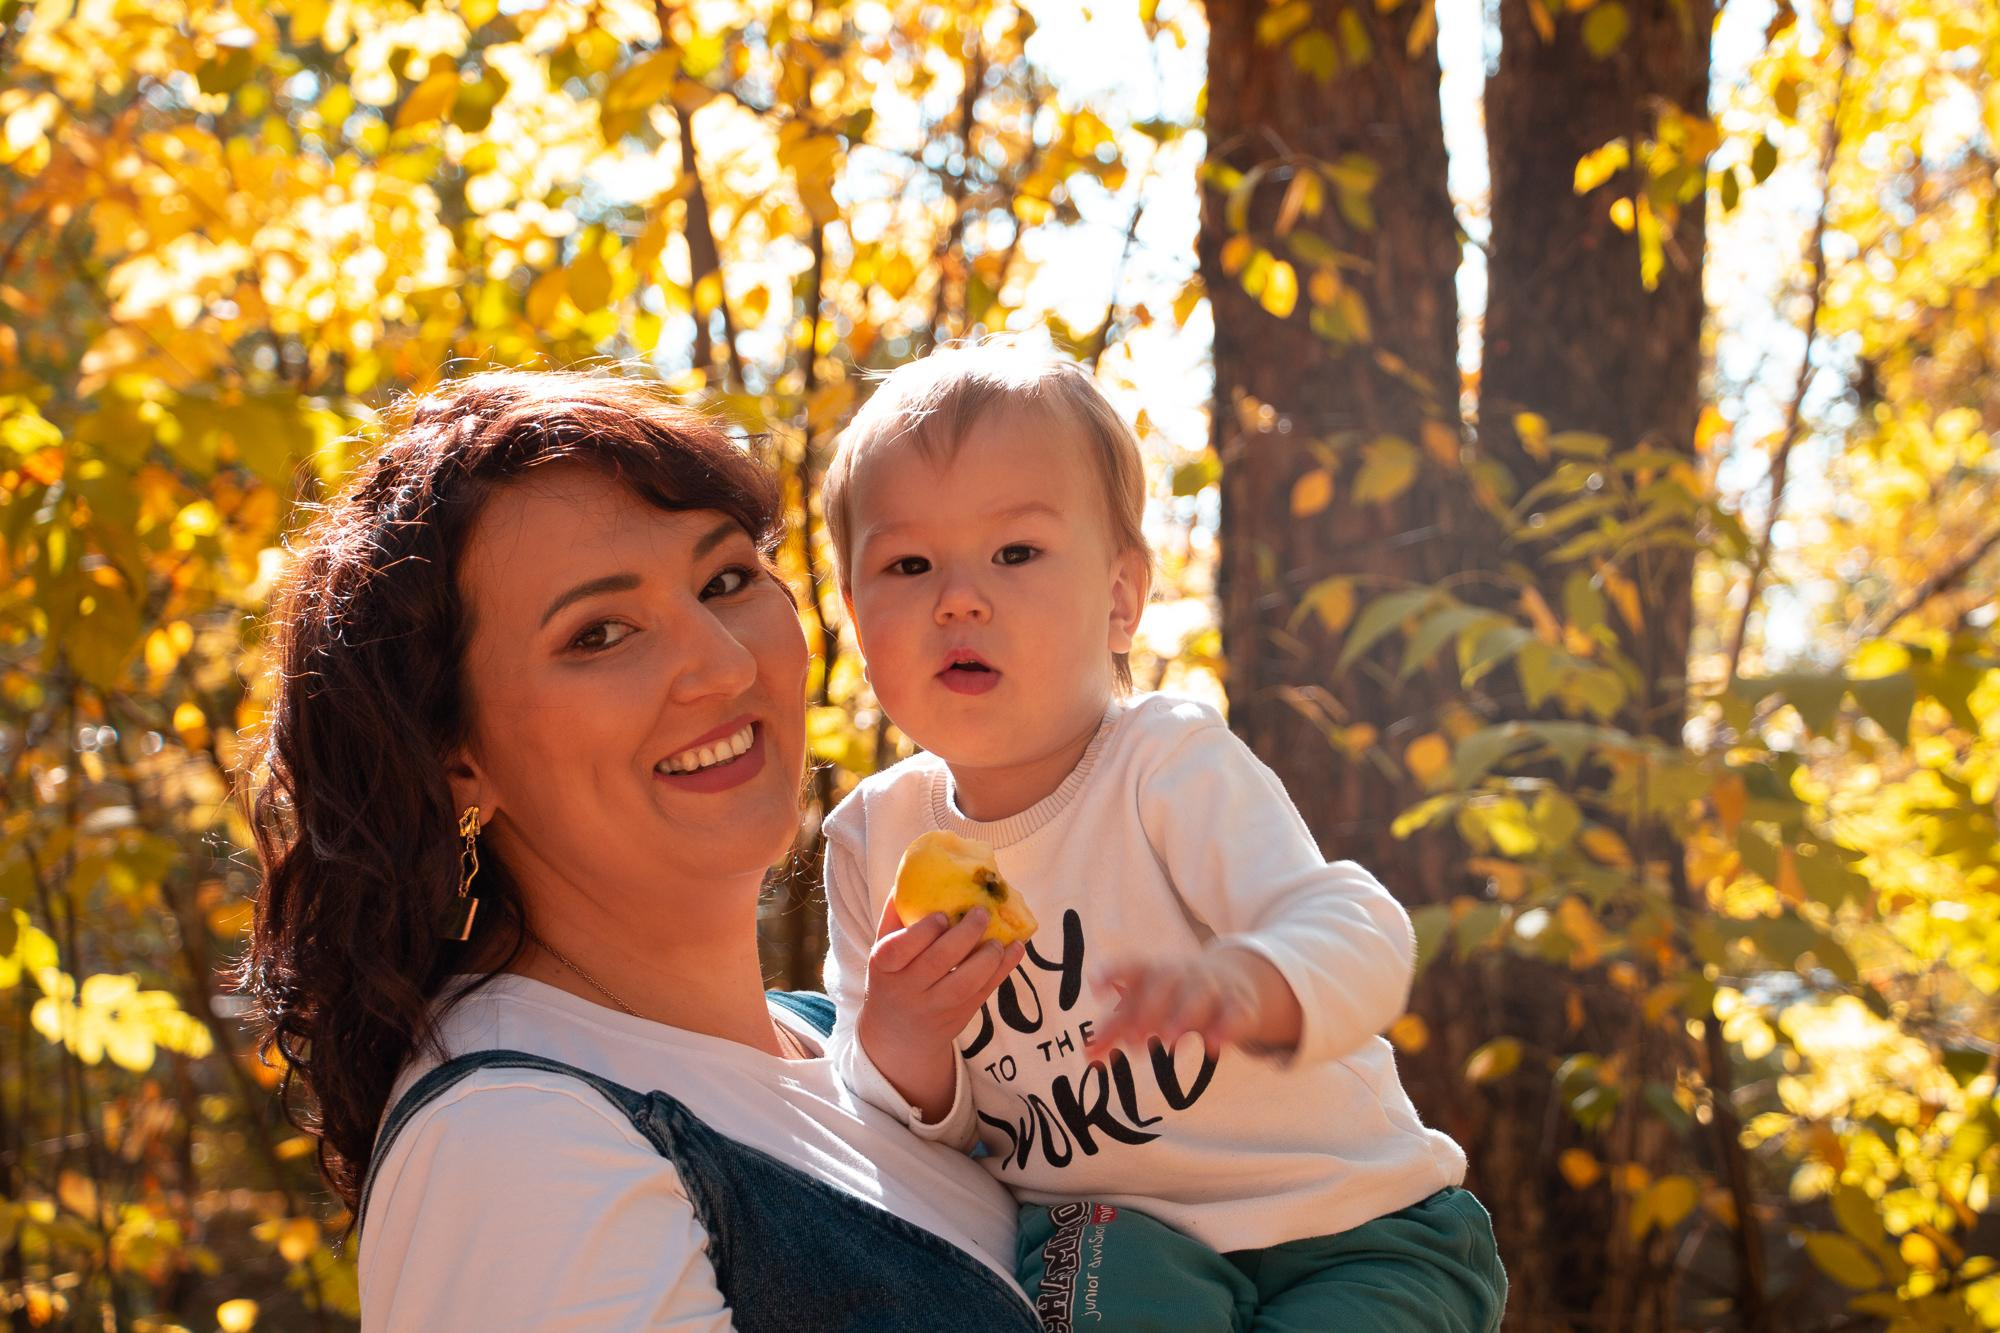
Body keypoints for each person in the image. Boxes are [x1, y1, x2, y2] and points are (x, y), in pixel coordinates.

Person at [238, 369, 1041, 1331]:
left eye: (726, 580)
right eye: (601, 633)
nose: (725, 664)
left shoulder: (857, 1033)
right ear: (455, 759)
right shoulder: (510, 1149)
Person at [815, 337, 1508, 1330]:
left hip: (1356, 1226)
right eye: (907, 562)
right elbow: (910, 1131)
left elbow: (1358, 928)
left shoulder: (1162, 765)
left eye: (1015, 552)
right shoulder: (873, 838)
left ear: (1118, 598)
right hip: (1113, 1236)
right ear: (853, 613)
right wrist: (900, 1035)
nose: (956, 596)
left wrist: (1248, 979)